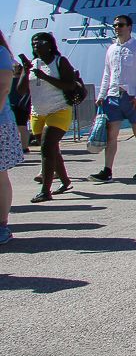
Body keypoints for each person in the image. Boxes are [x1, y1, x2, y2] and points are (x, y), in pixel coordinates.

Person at [91, 14, 136, 182]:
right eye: (115, 25)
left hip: (132, 97)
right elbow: (107, 73)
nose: (117, 28)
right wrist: (102, 95)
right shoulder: (111, 49)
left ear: (129, 27)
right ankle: (107, 170)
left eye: (121, 25)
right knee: (111, 134)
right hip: (113, 97)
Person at [23, 33, 79, 203]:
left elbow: (70, 85)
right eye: (33, 43)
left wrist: (45, 77)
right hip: (37, 112)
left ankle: (45, 191)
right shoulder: (33, 63)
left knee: (47, 147)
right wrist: (25, 72)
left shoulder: (60, 62)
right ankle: (66, 181)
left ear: (49, 45)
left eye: (39, 43)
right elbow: (21, 90)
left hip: (59, 110)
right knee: (52, 149)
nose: (35, 46)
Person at [0, 30, 21, 245]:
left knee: (0, 174)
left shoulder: (1, 53)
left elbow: (4, 87)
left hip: (0, 122)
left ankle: (2, 226)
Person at [9, 60, 31, 153]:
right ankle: (24, 147)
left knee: (21, 127)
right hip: (23, 105)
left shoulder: (12, 80)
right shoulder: (24, 80)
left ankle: (23, 147)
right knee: (22, 127)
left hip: (16, 105)